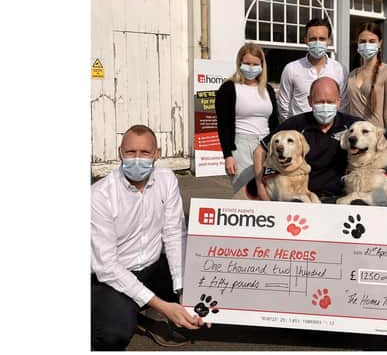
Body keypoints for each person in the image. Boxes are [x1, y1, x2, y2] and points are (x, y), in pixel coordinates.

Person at [91, 125, 206, 350]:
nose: (137, 159)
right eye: (130, 152)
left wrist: (183, 290)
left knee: (206, 288)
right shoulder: (100, 195)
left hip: (152, 266)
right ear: (120, 153)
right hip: (112, 277)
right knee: (113, 335)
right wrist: (163, 306)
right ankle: (131, 310)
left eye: (144, 153)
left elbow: (174, 234)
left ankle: (144, 307)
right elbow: (107, 267)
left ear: (157, 154)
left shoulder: (166, 179)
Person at [251, 76, 387, 206]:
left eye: (330, 101)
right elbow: (260, 151)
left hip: (341, 198)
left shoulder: (352, 126)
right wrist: (261, 189)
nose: (325, 105)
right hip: (305, 199)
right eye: (320, 102)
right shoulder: (296, 124)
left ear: (338, 102)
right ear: (309, 101)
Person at [215, 42, 279, 193]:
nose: (251, 68)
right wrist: (228, 155)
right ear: (239, 63)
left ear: (262, 65)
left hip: (266, 145)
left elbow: (274, 121)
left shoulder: (267, 89)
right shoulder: (229, 88)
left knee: (270, 190)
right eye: (247, 63)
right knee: (246, 192)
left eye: (255, 64)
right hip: (241, 146)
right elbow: (223, 124)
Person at [277, 18, 349, 121]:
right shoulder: (291, 69)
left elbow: (343, 104)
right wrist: (292, 127)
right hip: (299, 132)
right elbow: (284, 105)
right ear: (305, 40)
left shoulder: (340, 70)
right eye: (313, 39)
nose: (317, 42)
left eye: (322, 39)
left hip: (330, 131)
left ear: (329, 40)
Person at [347, 21, 387, 145]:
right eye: (363, 41)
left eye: (371, 41)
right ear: (357, 43)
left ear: (379, 43)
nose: (367, 45)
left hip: (375, 140)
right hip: (354, 138)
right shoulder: (352, 74)